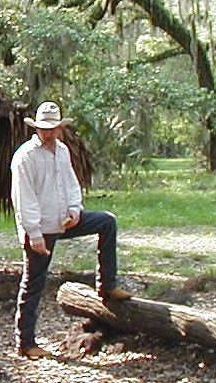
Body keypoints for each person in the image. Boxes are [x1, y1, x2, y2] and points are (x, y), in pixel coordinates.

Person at [10, 101, 133, 359]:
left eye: (53, 128)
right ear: (37, 129)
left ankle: (107, 284)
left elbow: (71, 184)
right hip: (41, 227)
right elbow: (24, 199)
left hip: (64, 220)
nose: (49, 133)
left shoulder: (62, 151)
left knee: (106, 221)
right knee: (33, 283)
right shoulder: (25, 157)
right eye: (44, 128)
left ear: (60, 128)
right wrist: (34, 234)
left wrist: (75, 210)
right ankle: (26, 343)